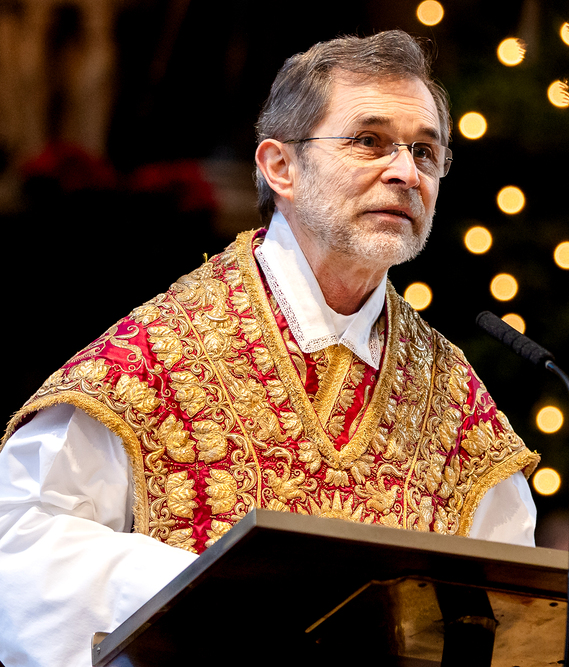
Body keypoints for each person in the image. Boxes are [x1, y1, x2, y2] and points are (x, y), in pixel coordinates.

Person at [0, 31, 539, 667]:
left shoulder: (455, 399)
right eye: (369, 141)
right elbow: (22, 549)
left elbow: (514, 614)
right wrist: (210, 597)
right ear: (281, 167)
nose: (405, 172)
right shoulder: (158, 353)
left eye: (425, 151)